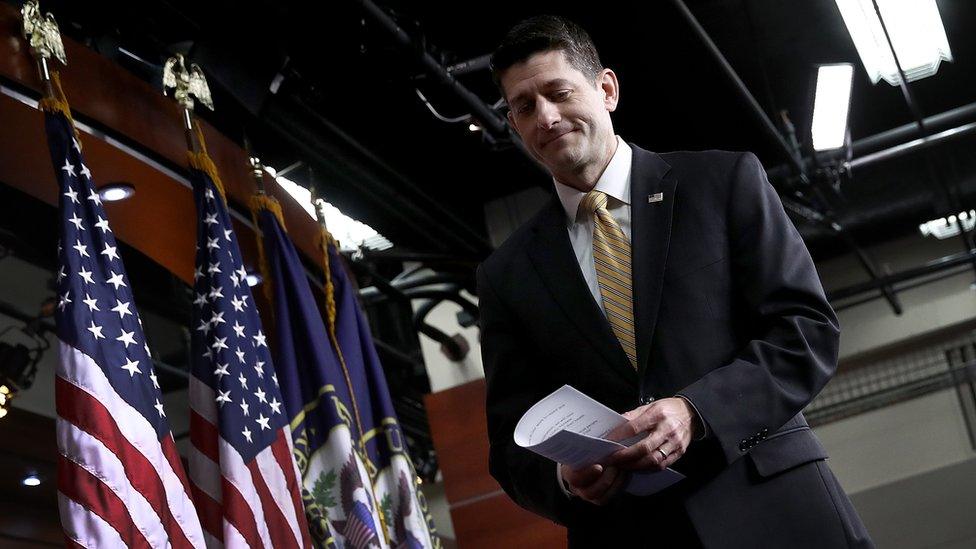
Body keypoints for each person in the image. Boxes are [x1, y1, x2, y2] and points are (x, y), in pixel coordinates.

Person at [477, 15, 873, 548]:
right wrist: (562, 479)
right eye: (524, 107)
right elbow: (509, 441)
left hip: (776, 509)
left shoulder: (722, 182)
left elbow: (806, 331)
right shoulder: (506, 275)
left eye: (558, 92)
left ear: (607, 89)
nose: (545, 117)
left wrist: (697, 411)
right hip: (632, 531)